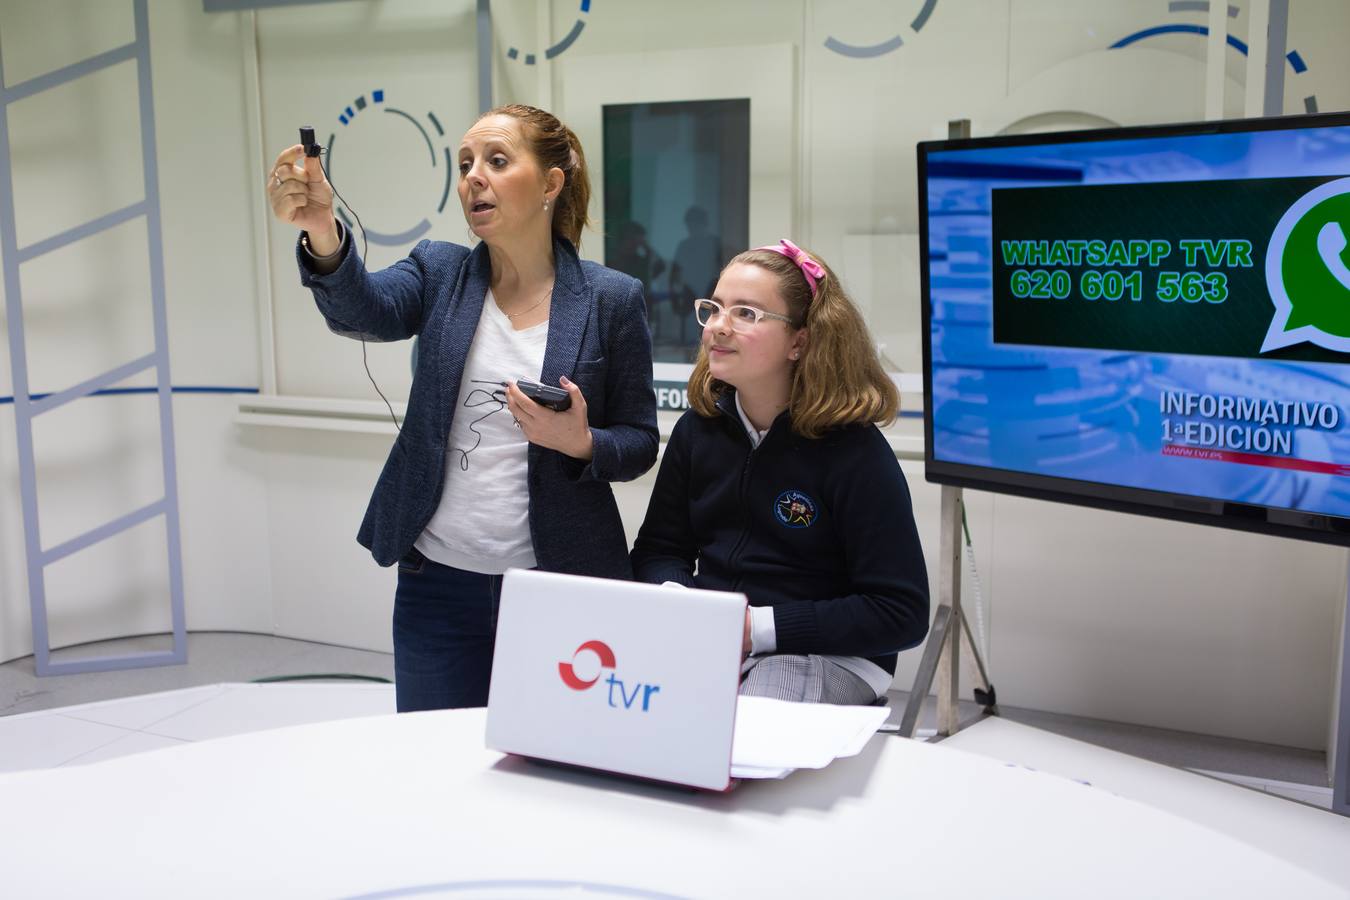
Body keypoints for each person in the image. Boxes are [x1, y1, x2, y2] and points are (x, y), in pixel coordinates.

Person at [267, 105, 658, 712]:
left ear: (551, 184)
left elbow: (638, 440)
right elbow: (362, 311)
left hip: (557, 586)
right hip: (437, 587)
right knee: (432, 773)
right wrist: (322, 227)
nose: (474, 176)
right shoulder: (440, 271)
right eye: (465, 163)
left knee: (553, 771)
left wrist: (581, 442)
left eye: (498, 161)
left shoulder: (612, 299)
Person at [631, 239, 928, 705]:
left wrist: (755, 629)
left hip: (828, 654)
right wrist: (678, 598)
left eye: (746, 314)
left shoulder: (856, 453)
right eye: (713, 308)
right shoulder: (697, 430)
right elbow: (659, 549)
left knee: (741, 732)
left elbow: (900, 613)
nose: (717, 328)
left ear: (800, 341)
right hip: (715, 639)